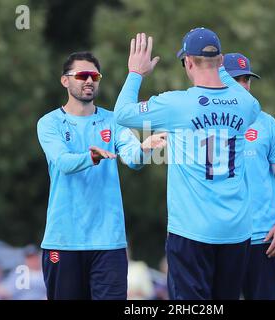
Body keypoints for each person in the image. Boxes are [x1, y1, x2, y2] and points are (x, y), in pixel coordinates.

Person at [114, 28, 261, 299]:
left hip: (192, 232)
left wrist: (136, 73)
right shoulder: (245, 104)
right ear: (221, 61)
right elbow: (248, 102)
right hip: (236, 233)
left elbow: (122, 114)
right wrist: (221, 67)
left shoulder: (176, 104)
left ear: (188, 62)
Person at [36, 51, 166, 300]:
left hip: (109, 244)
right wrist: (91, 157)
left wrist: (144, 148)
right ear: (65, 81)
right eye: (82, 75)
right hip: (63, 242)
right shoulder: (49, 123)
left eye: (94, 75)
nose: (89, 80)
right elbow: (63, 162)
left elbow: (132, 159)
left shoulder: (113, 121)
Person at [223, 53, 275, 300]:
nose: (244, 85)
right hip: (222, 238)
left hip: (263, 239)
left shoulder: (268, 124)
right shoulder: (209, 122)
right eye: (237, 79)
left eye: (247, 79)